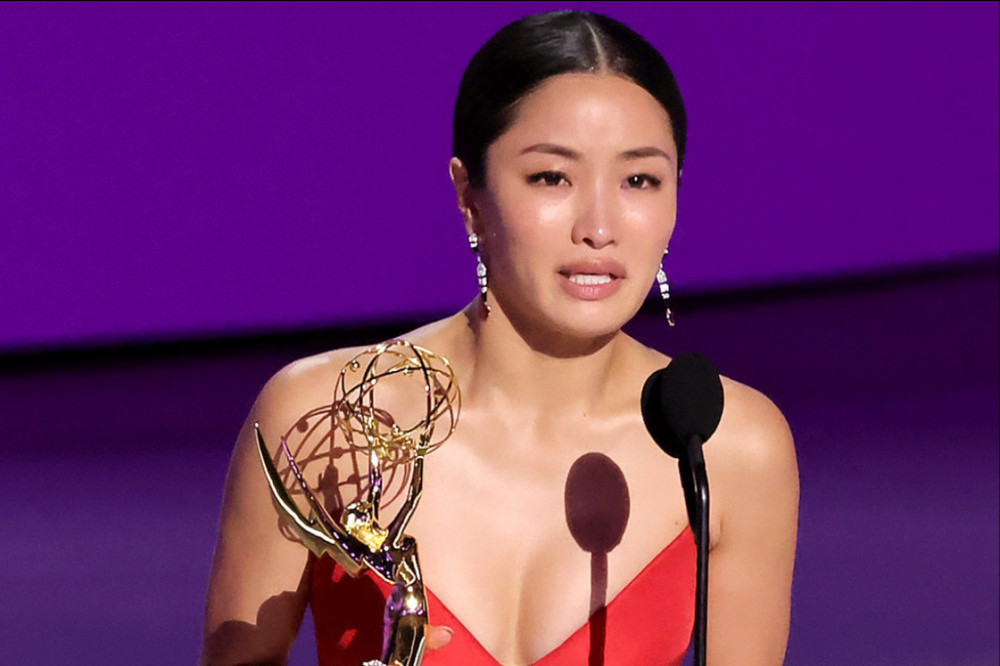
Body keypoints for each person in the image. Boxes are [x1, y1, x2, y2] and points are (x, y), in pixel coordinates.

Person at [200, 10, 798, 666]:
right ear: (469, 197)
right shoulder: (330, 420)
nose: (600, 226)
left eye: (639, 180)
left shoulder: (729, 448)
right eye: (552, 177)